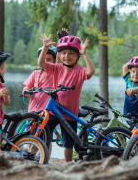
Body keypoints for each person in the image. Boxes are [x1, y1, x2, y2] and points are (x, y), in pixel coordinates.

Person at [38, 33, 95, 162]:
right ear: (59, 54)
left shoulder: (80, 71)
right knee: (44, 133)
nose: (67, 56)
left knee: (68, 143)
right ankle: (43, 160)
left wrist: (85, 53)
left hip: (70, 113)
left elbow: (91, 71)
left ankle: (68, 164)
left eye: (71, 53)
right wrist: (45, 47)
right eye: (63, 53)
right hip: (55, 110)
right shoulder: (57, 68)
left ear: (77, 56)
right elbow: (41, 63)